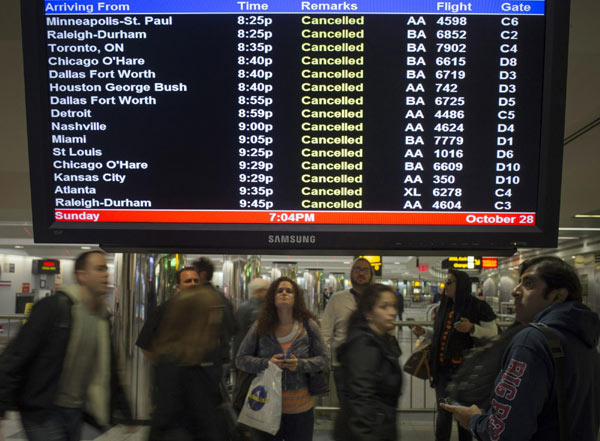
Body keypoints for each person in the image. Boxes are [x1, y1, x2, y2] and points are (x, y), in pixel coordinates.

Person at [441, 256, 600, 441]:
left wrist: (474, 420)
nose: (516, 291)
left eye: (529, 283)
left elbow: (503, 433)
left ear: (558, 295)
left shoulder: (532, 341)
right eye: (519, 283)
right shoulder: (585, 341)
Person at [0, 251, 133, 441]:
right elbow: (16, 355)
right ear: (82, 276)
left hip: (75, 411)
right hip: (43, 410)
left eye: (106, 269)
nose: (106, 274)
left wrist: (125, 409)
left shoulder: (101, 317)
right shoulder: (54, 308)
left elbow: (109, 367)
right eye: (99, 269)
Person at [236, 277, 328, 441]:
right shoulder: (261, 326)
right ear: (272, 297)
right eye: (279, 291)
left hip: (300, 409)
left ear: (296, 297)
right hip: (266, 408)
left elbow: (324, 360)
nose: (284, 293)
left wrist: (299, 364)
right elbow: (241, 359)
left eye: (289, 291)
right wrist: (267, 363)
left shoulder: (308, 326)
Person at [412, 268, 497, 441]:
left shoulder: (477, 306)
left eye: (450, 282)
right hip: (443, 370)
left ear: (461, 284)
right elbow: (440, 333)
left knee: (463, 417)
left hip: (466, 373)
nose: (446, 285)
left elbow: (493, 332)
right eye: (446, 281)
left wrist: (472, 328)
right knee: (443, 414)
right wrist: (425, 332)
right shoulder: (444, 306)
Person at [149, 286, 225, 441]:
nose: (216, 316)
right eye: (211, 311)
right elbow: (169, 414)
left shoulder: (204, 354)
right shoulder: (175, 362)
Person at [334, 283, 403, 441]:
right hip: (366, 431)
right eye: (384, 307)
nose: (392, 312)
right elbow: (360, 398)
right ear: (368, 313)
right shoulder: (364, 345)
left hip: (379, 425)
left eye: (393, 306)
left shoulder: (382, 340)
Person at [321, 258, 374, 400]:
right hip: (344, 366)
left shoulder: (377, 298)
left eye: (365, 270)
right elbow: (325, 332)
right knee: (347, 407)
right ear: (351, 273)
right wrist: (324, 362)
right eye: (357, 269)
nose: (361, 273)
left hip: (373, 366)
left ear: (371, 274)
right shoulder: (337, 299)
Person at [136, 266, 200, 361]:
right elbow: (145, 344)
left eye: (196, 281)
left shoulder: (204, 309)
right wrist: (164, 368)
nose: (193, 284)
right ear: (178, 287)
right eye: (188, 281)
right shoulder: (164, 310)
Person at [193, 257, 237, 371]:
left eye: (194, 275)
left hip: (203, 359)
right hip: (220, 357)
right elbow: (234, 327)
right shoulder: (223, 298)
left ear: (202, 275)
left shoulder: (199, 298)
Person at [233, 277, 270, 359]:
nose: (268, 293)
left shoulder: (244, 307)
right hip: (252, 356)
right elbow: (240, 336)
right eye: (265, 290)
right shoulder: (249, 309)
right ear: (258, 291)